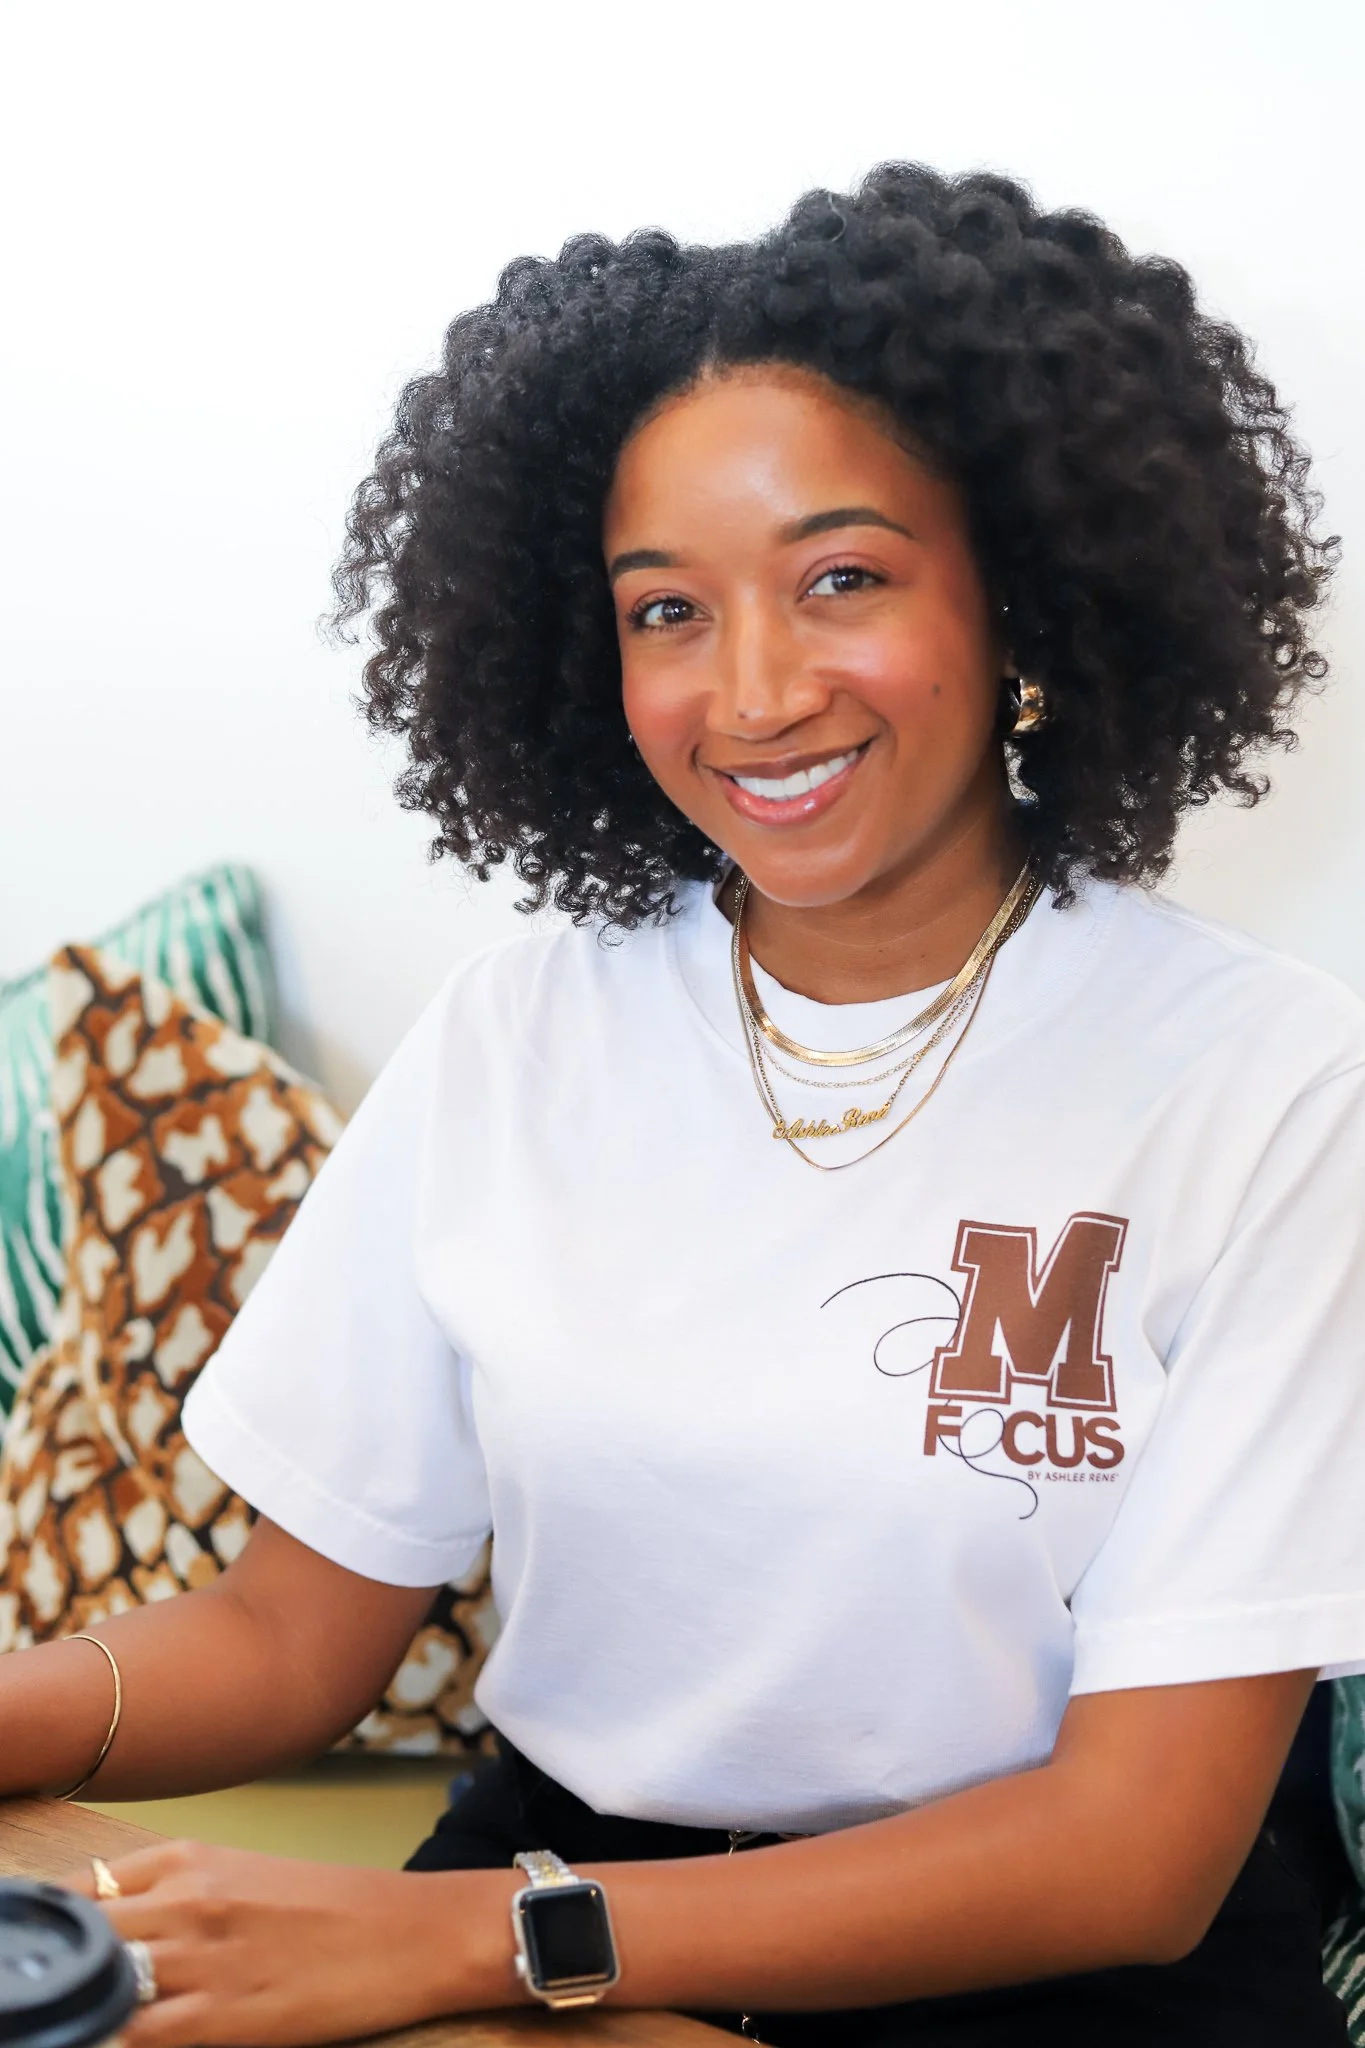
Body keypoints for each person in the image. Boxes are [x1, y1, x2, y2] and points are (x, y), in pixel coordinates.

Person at [2, 162, 1360, 2048]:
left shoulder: (1276, 1085)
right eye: (666, 612)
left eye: (844, 580)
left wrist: (484, 1943)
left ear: (1024, 597)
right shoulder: (523, 1035)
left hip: (1030, 1960)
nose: (754, 693)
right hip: (562, 1875)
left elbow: (1134, 1853)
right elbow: (281, 1644)